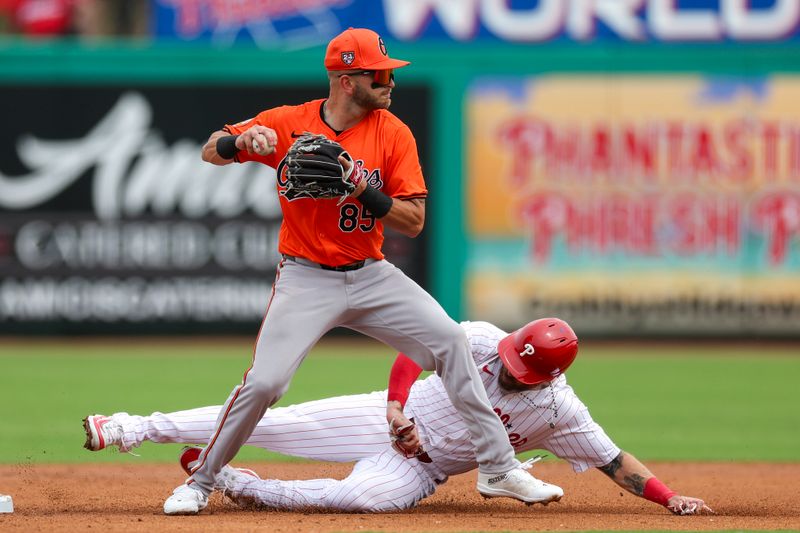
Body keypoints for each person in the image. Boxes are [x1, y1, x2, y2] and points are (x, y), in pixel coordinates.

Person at [136, 26, 553, 515]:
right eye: (380, 75)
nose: (390, 82)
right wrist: (240, 141)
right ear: (348, 81)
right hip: (306, 276)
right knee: (266, 383)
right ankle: (202, 481)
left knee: (450, 340)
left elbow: (414, 221)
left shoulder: (393, 133)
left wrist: (362, 190)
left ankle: (499, 468)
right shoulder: (288, 122)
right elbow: (212, 149)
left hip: (372, 274)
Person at [83, 318, 711, 515]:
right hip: (380, 419)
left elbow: (611, 460)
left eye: (525, 368)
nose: (510, 365)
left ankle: (232, 483)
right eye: (514, 355)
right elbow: (414, 355)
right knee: (267, 419)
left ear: (548, 375)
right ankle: (132, 427)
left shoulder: (556, 408)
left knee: (360, 502)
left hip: (424, 469)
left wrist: (668, 496)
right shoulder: (485, 338)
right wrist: (394, 407)